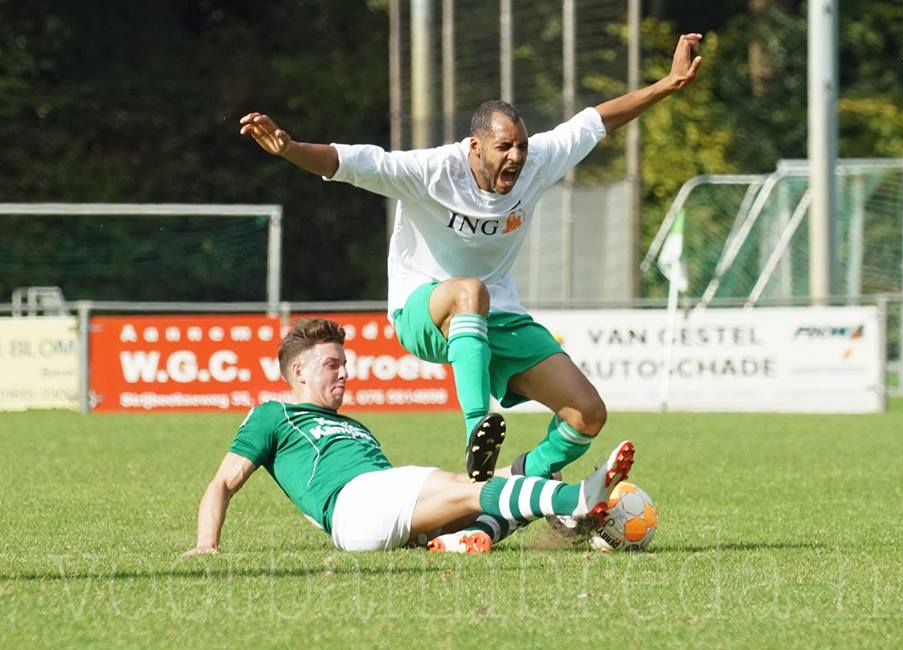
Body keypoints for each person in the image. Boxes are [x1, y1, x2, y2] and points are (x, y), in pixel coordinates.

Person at [238, 33, 702, 483]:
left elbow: (596, 121)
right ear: (475, 147)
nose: (517, 155)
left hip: (497, 315)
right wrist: (291, 149)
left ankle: (512, 482)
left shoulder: (538, 160)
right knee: (468, 289)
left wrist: (668, 84)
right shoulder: (432, 171)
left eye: (520, 145)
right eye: (505, 147)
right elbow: (352, 162)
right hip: (421, 310)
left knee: (587, 414)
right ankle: (478, 429)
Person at [183, 318, 635, 555]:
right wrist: (207, 545)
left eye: (345, 363)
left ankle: (462, 535)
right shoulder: (273, 413)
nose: (345, 372)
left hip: (383, 512)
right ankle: (575, 499)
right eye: (332, 365)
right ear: (298, 372)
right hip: (353, 506)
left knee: (474, 490)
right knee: (464, 486)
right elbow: (223, 482)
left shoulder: (355, 426)